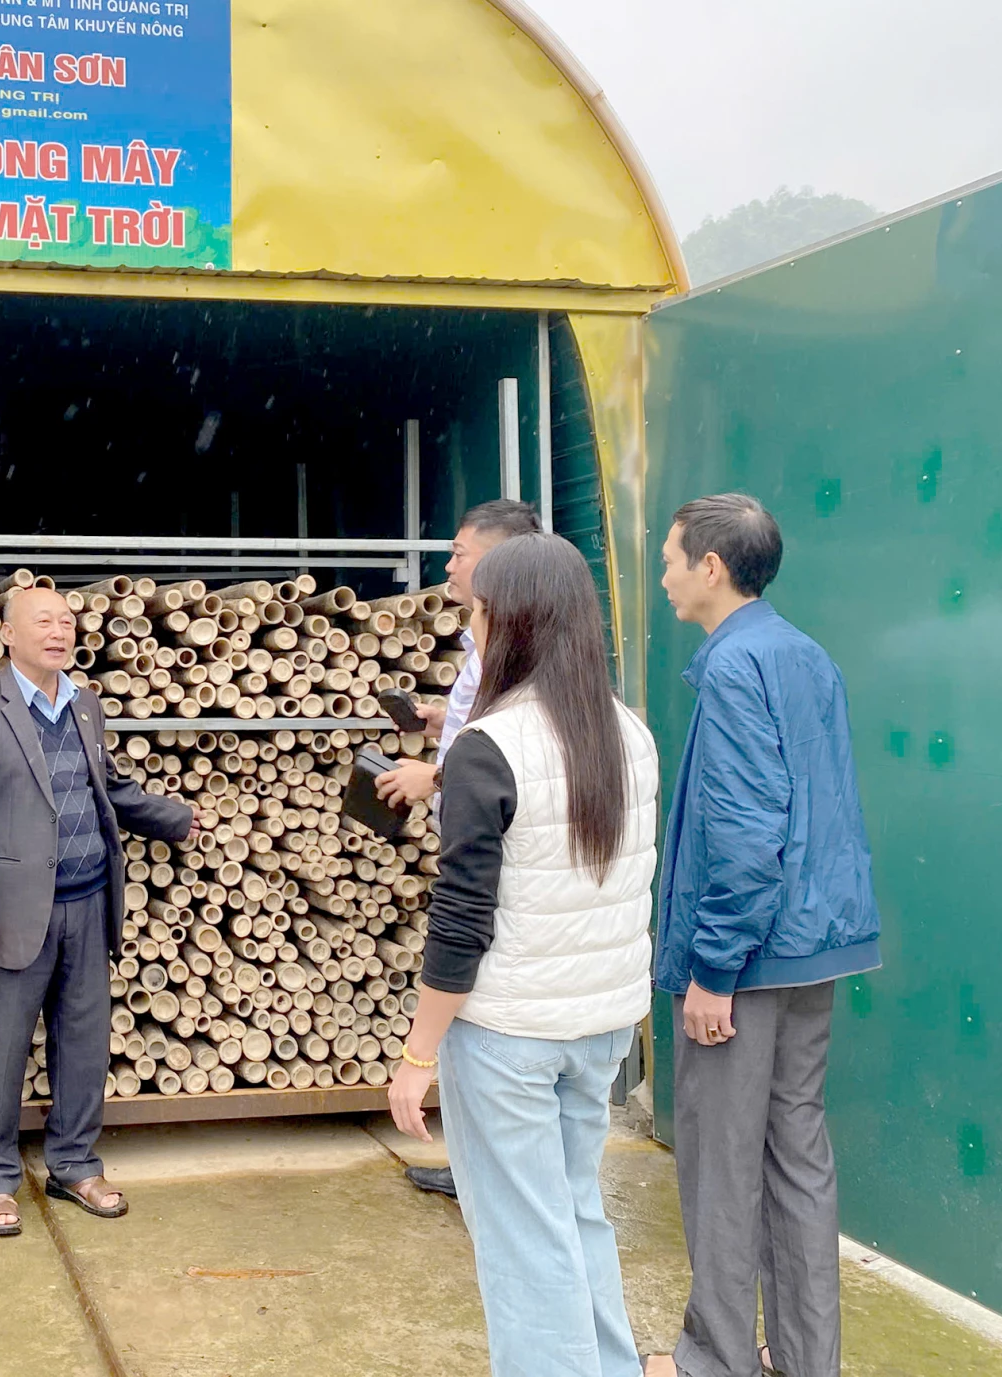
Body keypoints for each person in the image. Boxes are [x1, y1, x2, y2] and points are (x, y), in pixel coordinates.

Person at [386, 532, 658, 1377]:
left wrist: (416, 1053)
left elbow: (462, 920)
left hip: (510, 1033)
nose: (470, 626)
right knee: (575, 1214)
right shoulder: (628, 730)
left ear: (511, 621)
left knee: (521, 1245)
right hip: (602, 1022)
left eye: (477, 611)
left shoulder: (489, 745)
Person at [644, 495, 880, 1377]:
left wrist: (714, 969)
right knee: (798, 1158)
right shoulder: (806, 655)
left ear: (711, 567)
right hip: (815, 944)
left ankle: (714, 1360)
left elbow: (745, 832)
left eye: (671, 558)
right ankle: (807, 1359)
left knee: (720, 1166)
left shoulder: (734, 665)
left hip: (746, 955)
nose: (663, 574)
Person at [0, 587, 199, 1237]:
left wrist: (179, 819)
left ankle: (74, 1162)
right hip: (14, 911)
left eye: (67, 621)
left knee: (84, 1044)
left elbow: (108, 786)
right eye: (43, 621)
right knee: (0, 1052)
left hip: (88, 901)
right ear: (8, 633)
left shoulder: (83, 703)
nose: (59, 632)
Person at [375, 496, 542, 1199]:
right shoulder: (481, 645)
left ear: (500, 561)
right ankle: (473, 1158)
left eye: (460, 551)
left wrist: (433, 772)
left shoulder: (513, 646)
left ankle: (490, 1171)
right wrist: (446, 717)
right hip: (472, 831)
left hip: (489, 848)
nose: (448, 563)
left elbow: (517, 753)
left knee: (474, 988)